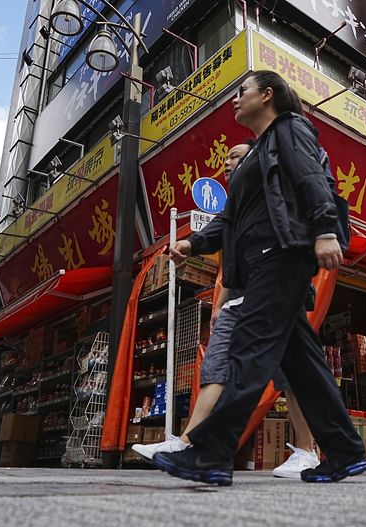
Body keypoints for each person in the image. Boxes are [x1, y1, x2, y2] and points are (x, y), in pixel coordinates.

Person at [151, 71, 366, 486]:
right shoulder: (255, 154)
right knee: (303, 365)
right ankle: (345, 451)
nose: (235, 100)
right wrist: (192, 244)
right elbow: (231, 220)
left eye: (242, 92)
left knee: (249, 347)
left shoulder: (289, 129)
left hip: (281, 255)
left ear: (267, 95)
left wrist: (325, 229)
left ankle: (212, 452)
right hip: (260, 264)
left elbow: (312, 178)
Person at [133, 141, 320, 478]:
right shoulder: (236, 207)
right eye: (226, 159)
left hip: (277, 300)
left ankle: (308, 452)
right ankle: (187, 441)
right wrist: (191, 246)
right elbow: (222, 239)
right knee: (215, 369)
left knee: (291, 378)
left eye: (237, 156)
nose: (228, 163)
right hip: (237, 304)